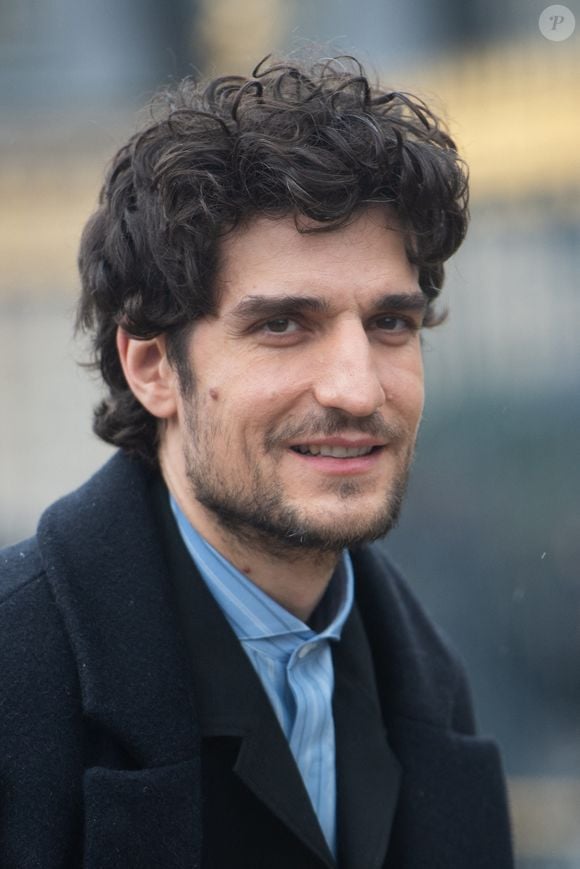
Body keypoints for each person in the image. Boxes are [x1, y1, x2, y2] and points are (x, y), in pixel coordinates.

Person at [0, 57, 513, 868]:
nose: (356, 387)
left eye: (390, 323)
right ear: (152, 367)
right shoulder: (16, 675)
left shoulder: (431, 689)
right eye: (283, 325)